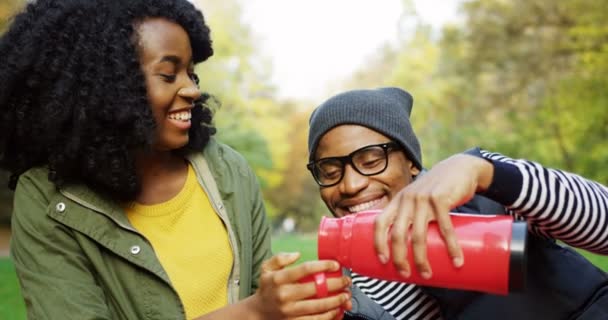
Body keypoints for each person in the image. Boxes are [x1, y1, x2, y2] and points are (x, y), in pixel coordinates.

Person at [0, 0, 350, 319]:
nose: (193, 90)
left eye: (191, 73)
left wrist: (290, 303)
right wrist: (255, 311)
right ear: (107, 86)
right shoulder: (46, 201)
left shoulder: (229, 171)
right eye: (169, 75)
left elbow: (262, 295)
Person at [306, 87, 608, 319]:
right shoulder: (347, 293)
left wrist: (487, 173)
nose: (350, 184)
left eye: (371, 160)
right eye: (329, 172)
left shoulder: (479, 187)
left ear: (411, 162)